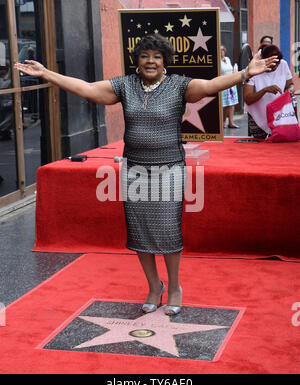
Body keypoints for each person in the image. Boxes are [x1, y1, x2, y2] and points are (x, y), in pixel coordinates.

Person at [15, 34, 278, 316]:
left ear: (164, 61)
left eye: (156, 56)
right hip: (134, 170)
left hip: (169, 168)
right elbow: (87, 88)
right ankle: (155, 286)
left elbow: (210, 85)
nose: (150, 61)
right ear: (137, 61)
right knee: (139, 231)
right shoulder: (125, 86)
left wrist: (244, 74)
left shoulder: (179, 86)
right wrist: (47, 74)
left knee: (167, 230)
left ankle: (175, 287)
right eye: (145, 56)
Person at [244, 44, 294, 139]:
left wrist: (290, 90)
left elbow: (290, 84)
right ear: (264, 60)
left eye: (277, 65)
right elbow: (247, 99)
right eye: (271, 65)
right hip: (257, 117)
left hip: (279, 115)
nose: (275, 68)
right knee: (261, 149)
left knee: (279, 149)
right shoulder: (252, 69)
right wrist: (265, 90)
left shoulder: (283, 64)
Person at [220, 45, 240, 129]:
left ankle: (231, 122)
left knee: (231, 104)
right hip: (223, 83)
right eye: (220, 50)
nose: (222, 51)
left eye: (223, 49)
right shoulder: (217, 61)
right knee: (225, 105)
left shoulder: (227, 59)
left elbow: (230, 70)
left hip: (231, 83)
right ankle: (223, 122)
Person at [0, 62, 13, 141]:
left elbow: (3, 87)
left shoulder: (8, 78)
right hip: (4, 100)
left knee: (8, 117)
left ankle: (4, 131)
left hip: (7, 100)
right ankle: (5, 132)